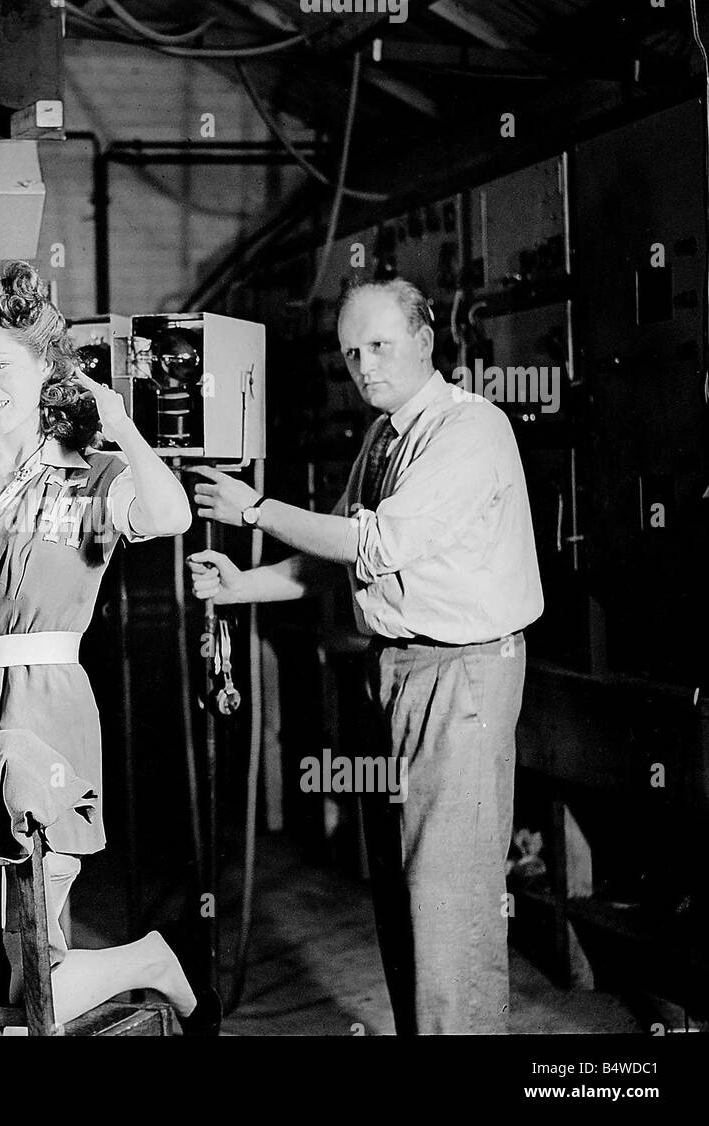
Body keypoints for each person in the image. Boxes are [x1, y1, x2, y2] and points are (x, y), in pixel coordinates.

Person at [0, 261, 218, 1031]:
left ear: (43, 366)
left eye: (0, 365)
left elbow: (171, 517)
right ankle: (139, 967)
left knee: (30, 962)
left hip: (48, 714)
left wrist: (122, 426)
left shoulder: (93, 473)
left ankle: (151, 963)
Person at [188, 277, 543, 1035]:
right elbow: (337, 557)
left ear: (425, 340)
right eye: (352, 353)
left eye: (380, 345)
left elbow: (373, 544)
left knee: (448, 901)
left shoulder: (468, 429)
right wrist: (242, 584)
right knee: (403, 892)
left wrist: (255, 510)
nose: (365, 366)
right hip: (395, 672)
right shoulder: (384, 437)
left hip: (460, 676)